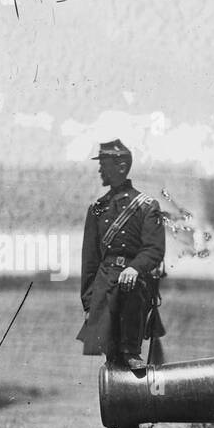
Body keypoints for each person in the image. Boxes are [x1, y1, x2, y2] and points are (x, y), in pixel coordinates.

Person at [76, 139, 166, 377]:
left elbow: (154, 249)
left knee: (127, 354)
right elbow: (90, 260)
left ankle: (131, 352)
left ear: (121, 166)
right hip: (105, 286)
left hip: (133, 287)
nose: (99, 170)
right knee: (111, 359)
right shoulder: (97, 208)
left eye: (104, 164)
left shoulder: (146, 206)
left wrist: (135, 268)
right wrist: (88, 302)